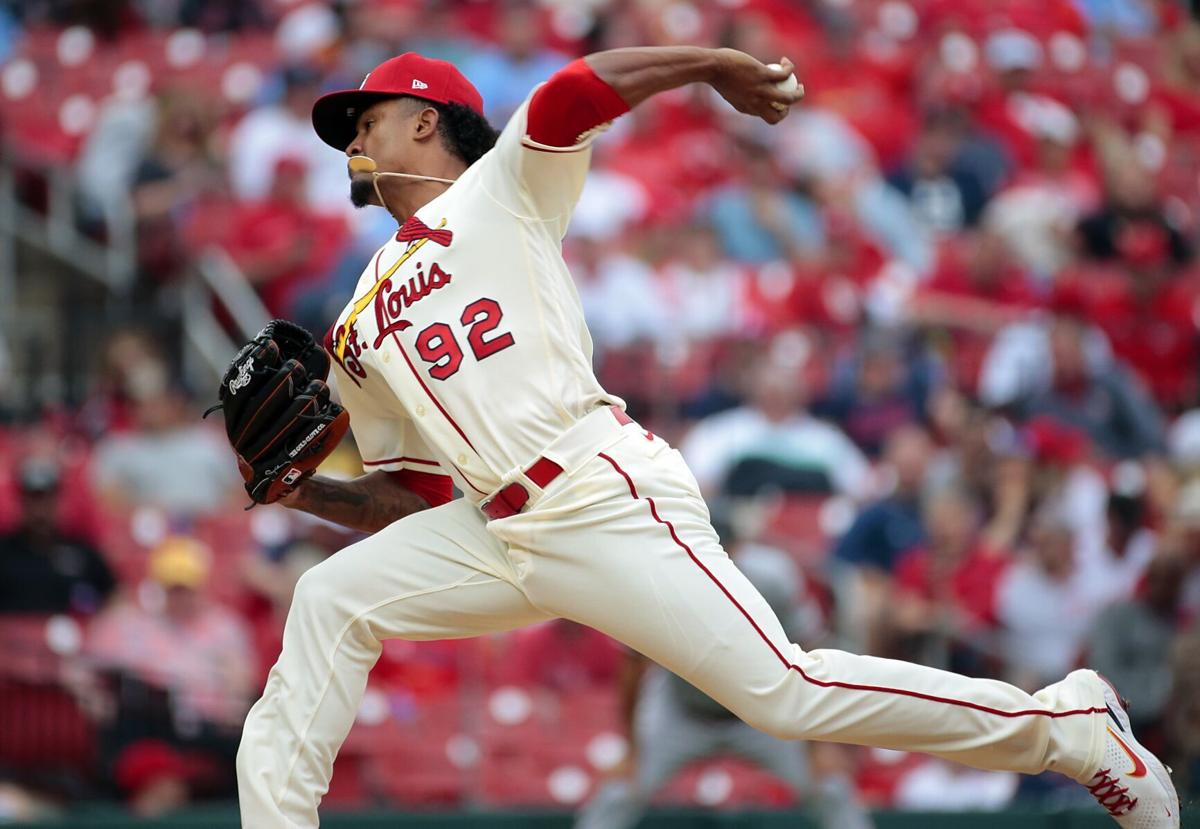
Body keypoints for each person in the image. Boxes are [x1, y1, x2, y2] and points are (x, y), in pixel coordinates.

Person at [231, 47, 1177, 827]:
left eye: (369, 119)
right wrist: (303, 490)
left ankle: (1071, 725)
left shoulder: (500, 191)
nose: (355, 139)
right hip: (491, 528)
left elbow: (566, 94)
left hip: (596, 495)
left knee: (787, 693)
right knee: (330, 598)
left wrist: (715, 66)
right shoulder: (353, 321)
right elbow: (409, 500)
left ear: (426, 119)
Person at [574, 543, 872, 829]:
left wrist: (818, 746)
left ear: (739, 547)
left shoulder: (771, 578)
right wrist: (631, 749)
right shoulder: (663, 580)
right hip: (682, 712)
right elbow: (634, 666)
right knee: (621, 789)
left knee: (830, 786)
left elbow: (807, 657)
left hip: (759, 713)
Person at [0, 458, 114, 615]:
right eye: (33, 499)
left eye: (47, 499)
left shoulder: (83, 554)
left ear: (59, 500)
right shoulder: (4, 554)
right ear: (21, 502)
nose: (40, 510)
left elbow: (114, 597)